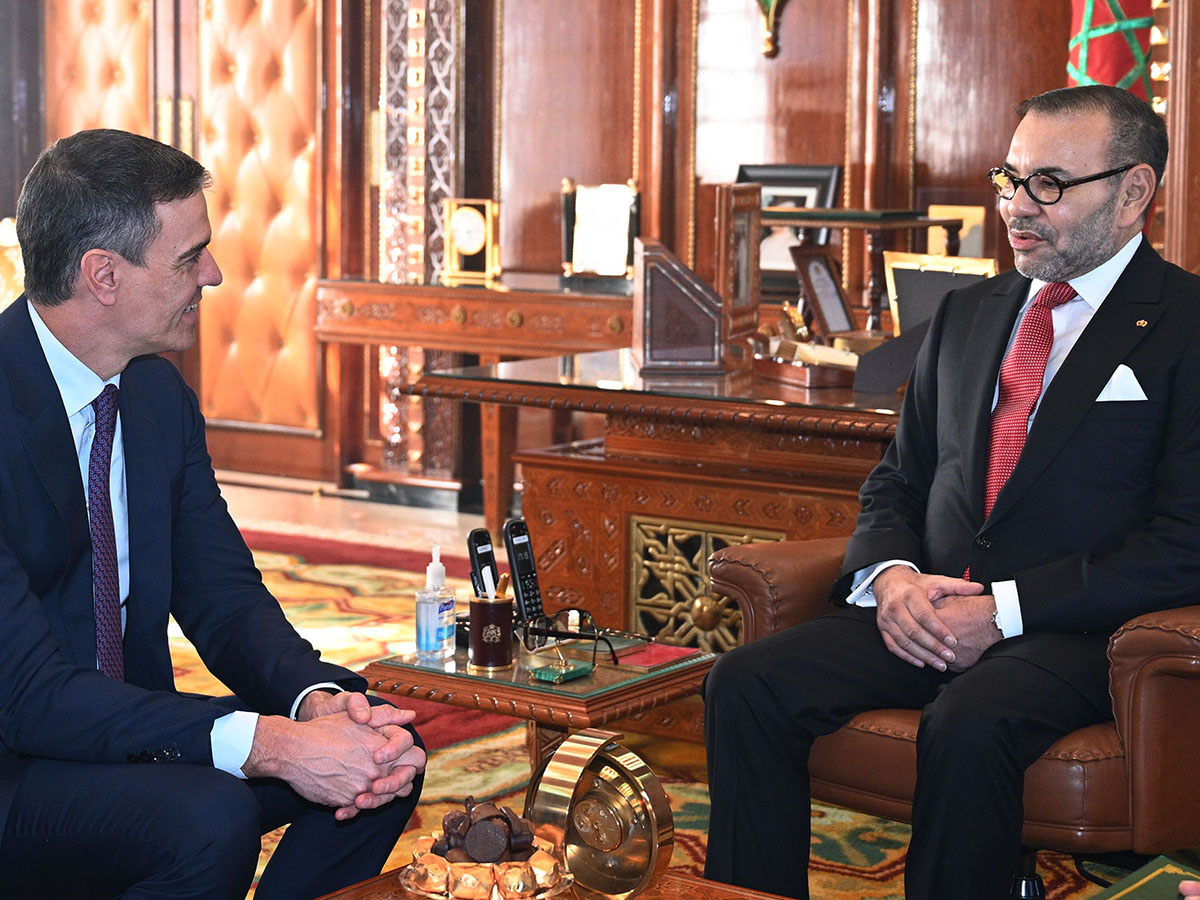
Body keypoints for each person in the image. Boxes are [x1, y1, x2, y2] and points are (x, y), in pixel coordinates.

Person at [704, 84, 1200, 900]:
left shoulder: (1187, 323)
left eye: (1049, 183)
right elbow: (899, 478)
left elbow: (1186, 544)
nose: (1016, 206)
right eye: (1009, 178)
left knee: (970, 722)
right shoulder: (969, 313)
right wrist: (891, 579)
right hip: (930, 606)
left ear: (1134, 191)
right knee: (746, 682)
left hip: (1077, 633)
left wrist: (1001, 610)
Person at [0, 129, 427, 899]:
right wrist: (269, 745)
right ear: (103, 275)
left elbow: (222, 597)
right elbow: (30, 696)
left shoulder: (158, 397)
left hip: (131, 730)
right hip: (17, 761)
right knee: (212, 814)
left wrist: (317, 702)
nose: (216, 272)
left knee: (385, 748)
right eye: (190, 255)